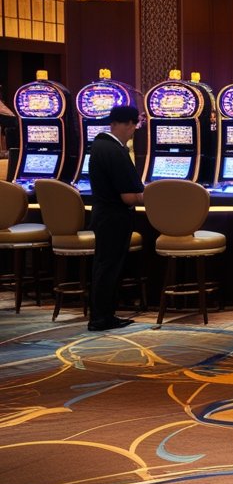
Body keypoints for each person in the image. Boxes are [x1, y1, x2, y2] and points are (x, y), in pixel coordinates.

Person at [87, 105, 144, 331]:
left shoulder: (99, 145)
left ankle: (102, 315)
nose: (133, 132)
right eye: (133, 127)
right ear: (128, 124)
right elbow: (129, 197)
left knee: (104, 267)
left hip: (103, 215)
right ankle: (101, 318)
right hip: (114, 218)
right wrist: (156, 196)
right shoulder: (116, 150)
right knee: (108, 268)